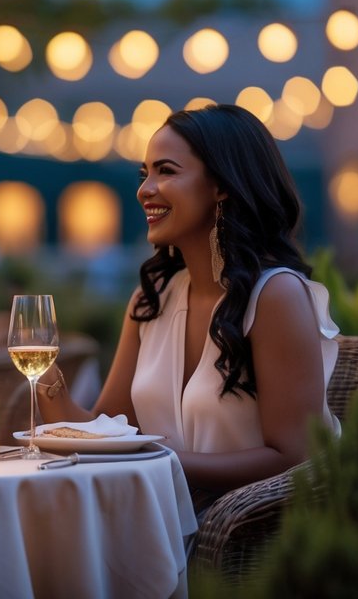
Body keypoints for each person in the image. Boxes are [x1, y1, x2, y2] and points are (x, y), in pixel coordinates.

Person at [34, 104, 340, 508]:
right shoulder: (152, 299)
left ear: (222, 185)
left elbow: (294, 456)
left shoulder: (275, 296)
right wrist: (43, 376)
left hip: (249, 531)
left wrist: (155, 459)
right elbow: (106, 430)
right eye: (145, 174)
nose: (145, 190)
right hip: (158, 515)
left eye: (166, 171)